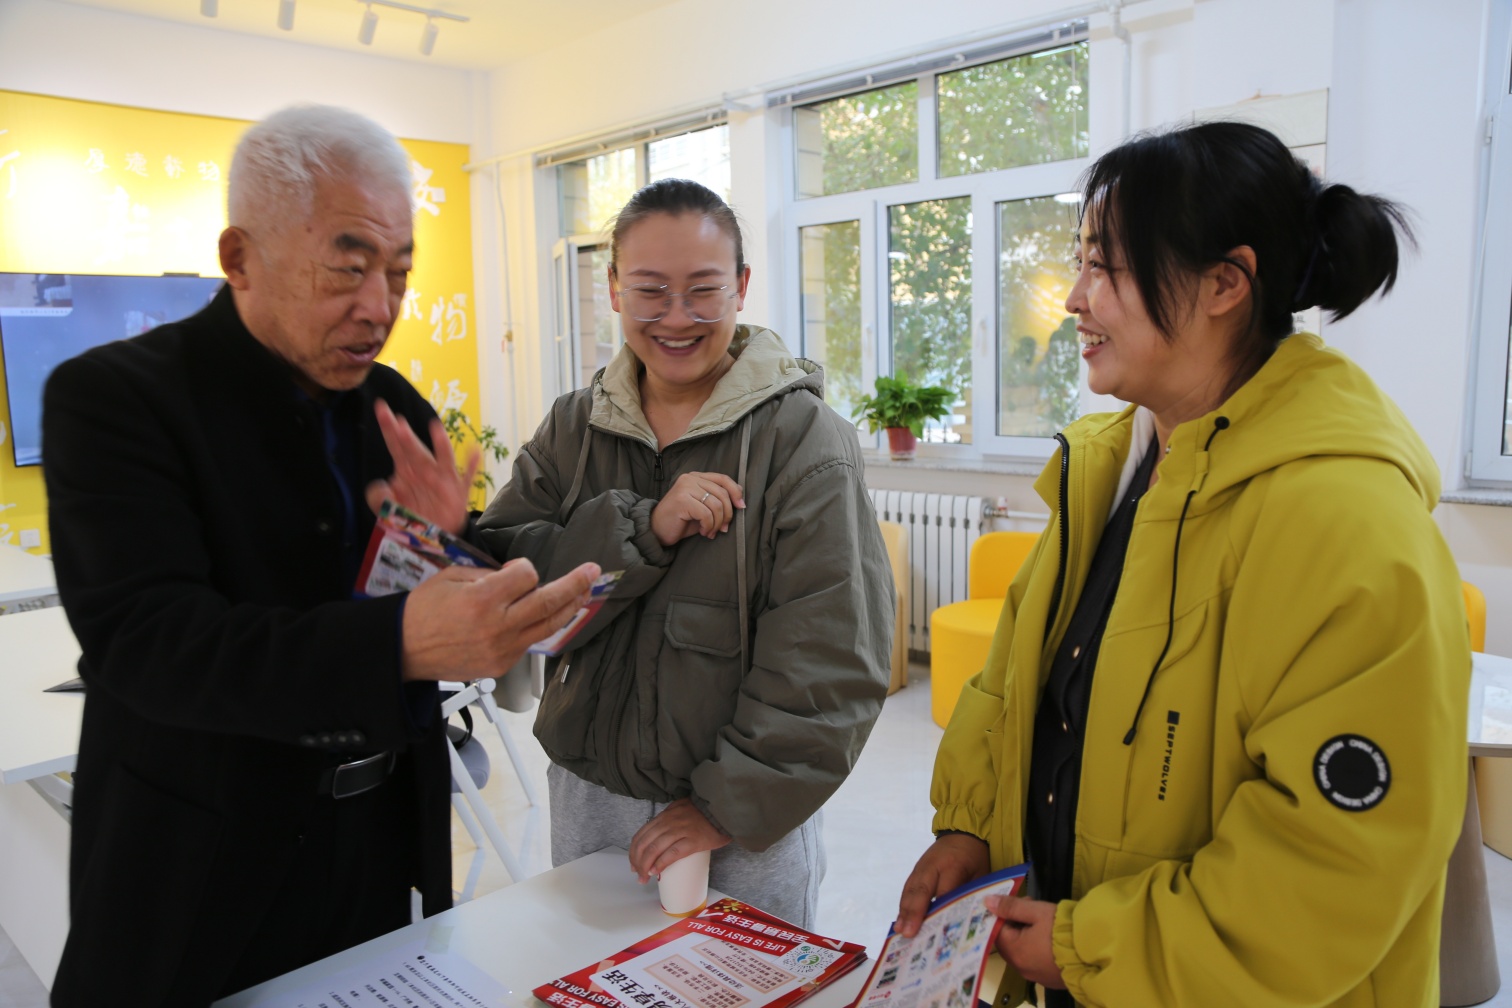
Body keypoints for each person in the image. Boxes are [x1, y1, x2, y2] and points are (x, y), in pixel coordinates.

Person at [893, 121, 1469, 1008]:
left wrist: (1097, 947)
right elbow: (1014, 687)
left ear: (1224, 284)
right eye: (1078, 263)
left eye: (1106, 268)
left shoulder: (1350, 525)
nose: (1075, 300)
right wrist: (971, 826)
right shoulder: (1106, 468)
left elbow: (1336, 868)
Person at [42, 104, 598, 1006]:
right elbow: (151, 644)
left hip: (382, 843)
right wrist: (402, 644)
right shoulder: (115, 401)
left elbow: (396, 588)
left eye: (400, 274)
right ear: (239, 258)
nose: (378, 308)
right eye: (348, 267)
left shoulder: (394, 404)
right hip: (201, 862)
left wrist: (466, 564)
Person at [384, 178, 893, 927]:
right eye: (650, 291)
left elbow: (831, 657)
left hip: (742, 823)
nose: (677, 319)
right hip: (591, 798)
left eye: (703, 291)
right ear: (614, 288)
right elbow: (511, 581)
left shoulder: (802, 441)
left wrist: (723, 807)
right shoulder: (574, 427)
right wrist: (640, 527)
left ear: (743, 287)